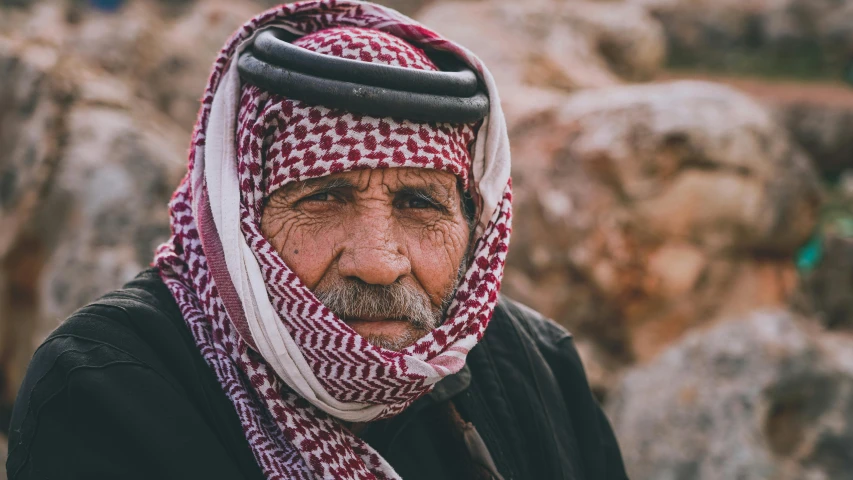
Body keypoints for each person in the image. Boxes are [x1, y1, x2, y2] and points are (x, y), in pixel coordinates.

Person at [7, 2, 628, 479]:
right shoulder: (104, 389)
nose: (377, 264)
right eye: (323, 197)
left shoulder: (540, 366)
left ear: (474, 223)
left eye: (420, 203)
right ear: (239, 214)